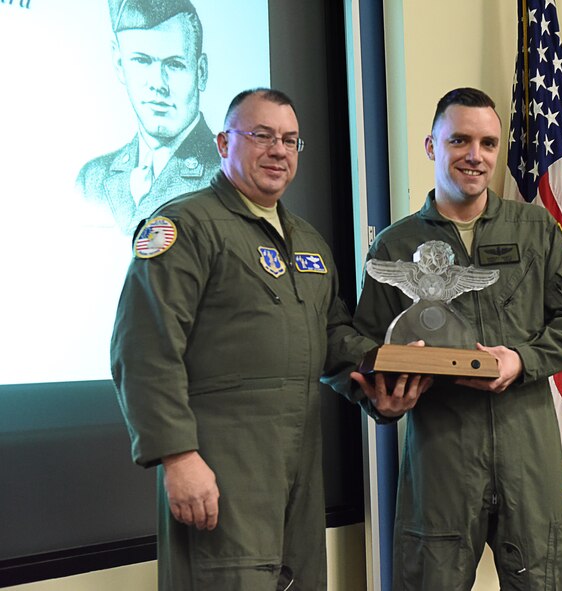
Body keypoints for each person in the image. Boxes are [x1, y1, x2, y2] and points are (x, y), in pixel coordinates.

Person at [111, 88, 416, 590]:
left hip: (298, 483)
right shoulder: (185, 227)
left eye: (291, 140)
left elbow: (333, 337)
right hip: (221, 475)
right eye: (262, 135)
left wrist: (382, 376)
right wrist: (177, 457)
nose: (278, 150)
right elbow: (143, 348)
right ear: (223, 141)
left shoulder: (309, 241)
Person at [344, 87, 562, 589]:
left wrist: (522, 360)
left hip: (526, 448)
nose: (475, 156)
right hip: (442, 454)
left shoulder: (535, 229)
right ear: (431, 146)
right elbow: (365, 348)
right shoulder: (396, 244)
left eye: (487, 143)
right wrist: (383, 402)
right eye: (459, 140)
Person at [77, 0, 219, 235]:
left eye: (174, 64)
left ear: (201, 72)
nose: (158, 84)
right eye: (142, 61)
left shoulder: (229, 180)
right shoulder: (92, 179)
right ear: (119, 63)